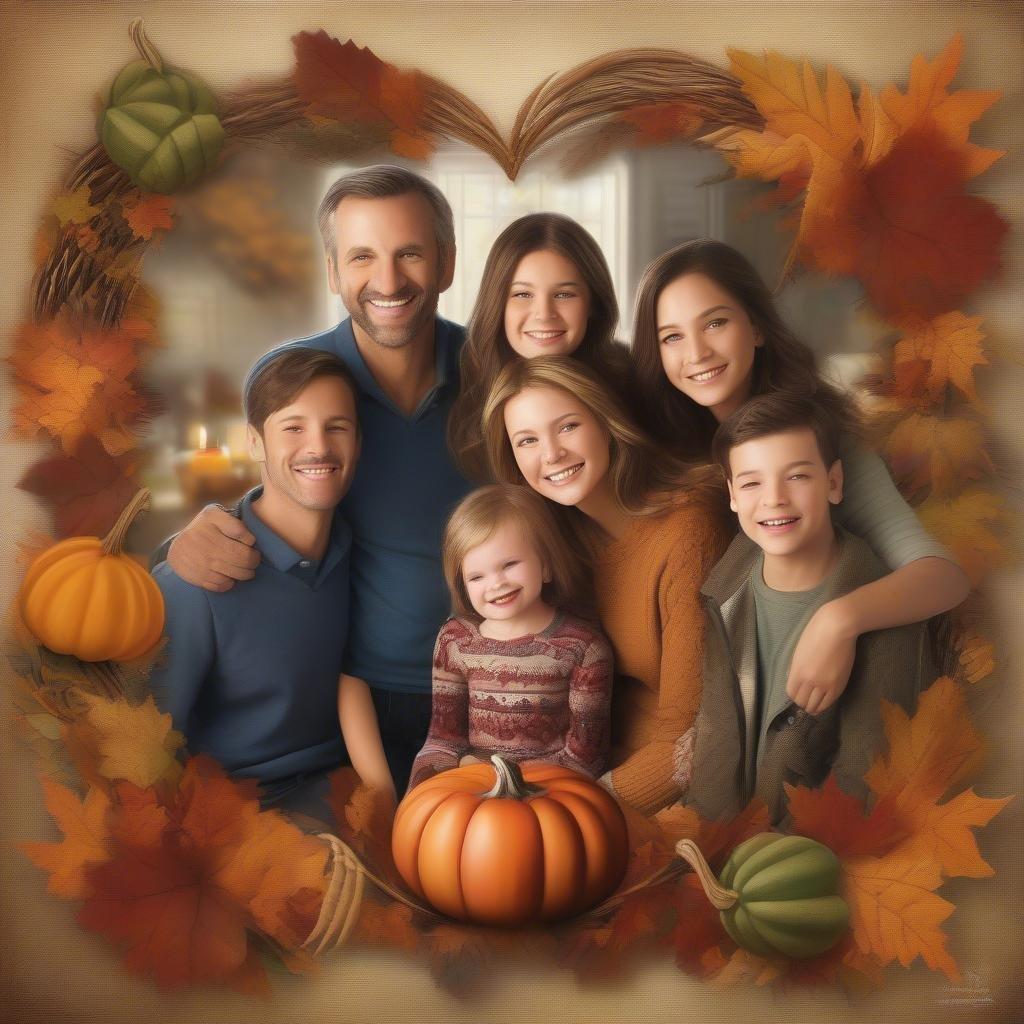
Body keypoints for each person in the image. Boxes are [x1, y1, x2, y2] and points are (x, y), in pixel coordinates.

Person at [162, 166, 472, 794]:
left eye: (409, 252)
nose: (387, 280)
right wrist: (180, 540)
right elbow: (274, 494)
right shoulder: (300, 378)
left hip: (490, 685)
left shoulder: (494, 375)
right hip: (359, 701)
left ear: (446, 263)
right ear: (333, 272)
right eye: (361, 256)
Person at [630, 239, 969, 717]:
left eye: (715, 323)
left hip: (804, 700)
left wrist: (839, 621)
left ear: (757, 328)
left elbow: (942, 577)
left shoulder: (823, 442)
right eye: (672, 337)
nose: (697, 353)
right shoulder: (659, 454)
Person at [481, 356, 731, 817]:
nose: (551, 454)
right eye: (527, 440)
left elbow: (689, 740)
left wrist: (576, 812)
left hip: (668, 795)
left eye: (567, 426)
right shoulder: (553, 547)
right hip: (578, 780)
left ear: (605, 421)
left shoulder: (689, 532)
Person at [686, 393, 937, 824]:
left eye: (797, 476)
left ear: (834, 483)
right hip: (726, 852)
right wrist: (702, 844)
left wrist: (765, 865)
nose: (774, 499)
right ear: (731, 496)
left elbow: (861, 785)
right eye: (751, 483)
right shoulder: (724, 593)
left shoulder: (884, 614)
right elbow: (715, 745)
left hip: (807, 861)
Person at [150, 349, 364, 817]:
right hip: (242, 817)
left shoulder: (363, 557)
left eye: (337, 426)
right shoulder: (196, 580)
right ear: (253, 443)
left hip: (347, 792)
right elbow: (152, 749)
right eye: (293, 427)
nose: (319, 447)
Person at [408, 484, 613, 790]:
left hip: (548, 793)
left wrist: (512, 786)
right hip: (472, 786)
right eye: (477, 576)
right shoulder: (456, 641)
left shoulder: (583, 648)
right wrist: (425, 791)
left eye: (509, 565)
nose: (496, 584)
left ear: (545, 564)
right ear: (462, 584)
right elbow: (443, 739)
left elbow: (585, 758)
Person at [448, 212, 634, 481]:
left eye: (563, 294)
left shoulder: (634, 387)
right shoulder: (467, 398)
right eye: (522, 294)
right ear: (497, 304)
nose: (544, 314)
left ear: (593, 303)